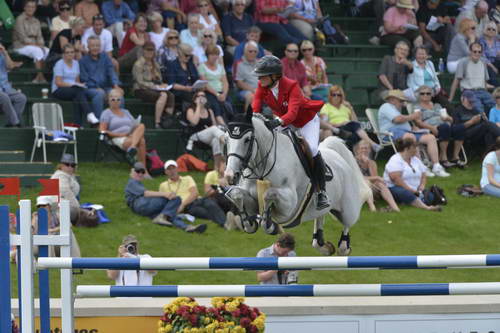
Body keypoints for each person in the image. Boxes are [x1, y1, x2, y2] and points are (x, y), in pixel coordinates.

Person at [252, 55, 330, 209]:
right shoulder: (263, 85)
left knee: (312, 149)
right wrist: (254, 118)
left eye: (262, 75)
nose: (259, 79)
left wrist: (276, 122)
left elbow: (293, 113)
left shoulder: (292, 85)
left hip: (306, 121)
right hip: (284, 121)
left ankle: (321, 191)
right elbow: (256, 102)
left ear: (274, 76)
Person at [377, 89, 450, 177]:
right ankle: (420, 167)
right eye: (401, 100)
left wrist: (413, 127)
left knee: (430, 137)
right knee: (410, 137)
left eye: (403, 101)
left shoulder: (396, 109)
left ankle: (436, 166)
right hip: (390, 133)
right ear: (392, 99)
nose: (403, 103)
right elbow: (397, 120)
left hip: (406, 132)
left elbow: (402, 121)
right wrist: (413, 116)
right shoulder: (386, 106)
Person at [124, 163, 207, 231]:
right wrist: (165, 194)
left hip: (144, 208)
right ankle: (163, 216)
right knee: (176, 199)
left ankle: (187, 227)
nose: (140, 174)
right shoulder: (132, 182)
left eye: (142, 172)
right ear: (132, 172)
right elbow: (146, 193)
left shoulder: (137, 183)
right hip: (139, 204)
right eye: (137, 171)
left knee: (170, 215)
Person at [159, 160, 229, 228]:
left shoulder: (187, 178)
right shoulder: (163, 185)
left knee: (210, 204)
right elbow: (164, 201)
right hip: (188, 207)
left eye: (173, 168)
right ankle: (226, 223)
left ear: (177, 169)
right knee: (204, 213)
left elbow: (194, 193)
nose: (172, 171)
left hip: (197, 200)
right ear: (166, 172)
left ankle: (227, 222)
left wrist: (182, 205)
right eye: (169, 169)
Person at [412, 85, 466, 168]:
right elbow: (418, 122)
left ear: (432, 95)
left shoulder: (437, 105)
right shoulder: (417, 107)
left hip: (444, 125)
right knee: (445, 127)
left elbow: (450, 120)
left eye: (428, 93)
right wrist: (432, 128)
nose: (425, 95)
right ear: (419, 95)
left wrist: (448, 118)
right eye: (422, 93)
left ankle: (455, 157)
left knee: (460, 127)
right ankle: (443, 158)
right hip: (430, 128)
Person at [383, 138, 443, 211]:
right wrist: (411, 190)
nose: (416, 150)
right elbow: (396, 180)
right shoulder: (395, 160)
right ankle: (426, 207)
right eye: (414, 147)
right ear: (407, 148)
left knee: (430, 197)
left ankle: (410, 201)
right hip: (397, 187)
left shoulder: (415, 159)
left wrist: (422, 186)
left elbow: (423, 175)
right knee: (405, 193)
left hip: (416, 189)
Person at [99, 89, 150, 173]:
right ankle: (143, 170)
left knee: (141, 125)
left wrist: (135, 127)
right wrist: (120, 134)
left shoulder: (126, 112)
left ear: (120, 101)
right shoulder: (106, 113)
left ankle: (132, 149)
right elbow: (102, 130)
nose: (115, 101)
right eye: (113, 99)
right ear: (109, 100)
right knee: (141, 141)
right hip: (118, 138)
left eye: (118, 99)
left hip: (130, 135)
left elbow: (134, 124)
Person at [320, 85, 381, 150]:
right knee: (354, 127)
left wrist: (351, 108)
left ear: (342, 97)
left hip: (349, 128)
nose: (336, 97)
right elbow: (324, 123)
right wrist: (340, 124)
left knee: (355, 126)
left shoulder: (345, 107)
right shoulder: (326, 107)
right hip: (336, 129)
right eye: (334, 95)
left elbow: (356, 122)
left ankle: (369, 147)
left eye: (339, 95)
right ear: (330, 96)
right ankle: (373, 144)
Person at [133, 42, 175, 129]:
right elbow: (140, 82)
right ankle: (157, 122)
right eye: (148, 50)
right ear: (143, 51)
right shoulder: (138, 64)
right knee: (163, 95)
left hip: (155, 88)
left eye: (152, 50)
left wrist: (162, 84)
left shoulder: (155, 63)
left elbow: (159, 78)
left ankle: (167, 118)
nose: (150, 52)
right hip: (141, 89)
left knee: (171, 95)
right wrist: (154, 86)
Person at [51, 43, 95, 126]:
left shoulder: (76, 63)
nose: (70, 54)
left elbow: (77, 81)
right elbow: (58, 82)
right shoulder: (59, 64)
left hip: (73, 90)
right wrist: (73, 85)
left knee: (77, 96)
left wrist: (80, 85)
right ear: (63, 54)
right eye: (67, 52)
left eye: (72, 52)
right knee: (78, 92)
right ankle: (89, 113)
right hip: (59, 90)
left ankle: (77, 124)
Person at [80, 36, 122, 122]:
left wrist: (115, 85)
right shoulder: (83, 61)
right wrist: (95, 87)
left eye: (97, 45)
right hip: (90, 88)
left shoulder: (105, 57)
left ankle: (118, 120)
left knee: (117, 94)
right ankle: (99, 122)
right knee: (99, 94)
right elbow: (84, 79)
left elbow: (111, 72)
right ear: (88, 47)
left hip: (106, 87)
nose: (95, 48)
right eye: (93, 46)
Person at [449, 42, 496, 114]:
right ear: (470, 52)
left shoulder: (483, 62)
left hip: (482, 91)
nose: (477, 53)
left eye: (479, 52)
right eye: (475, 51)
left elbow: (484, 80)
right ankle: (486, 123)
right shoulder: (463, 62)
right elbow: (456, 80)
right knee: (479, 109)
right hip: (468, 91)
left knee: (496, 105)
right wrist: (450, 98)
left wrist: (486, 92)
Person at [354, 140, 400, 212]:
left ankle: (395, 207)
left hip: (370, 188)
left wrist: (369, 163)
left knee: (380, 184)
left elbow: (374, 179)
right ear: (357, 150)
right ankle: (372, 207)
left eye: (366, 148)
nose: (364, 150)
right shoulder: (353, 161)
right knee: (366, 182)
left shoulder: (372, 163)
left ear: (369, 150)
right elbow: (357, 178)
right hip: (356, 188)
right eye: (362, 148)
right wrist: (377, 177)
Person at [185, 90, 226, 169]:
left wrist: (211, 129)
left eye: (203, 96)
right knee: (214, 129)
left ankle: (216, 168)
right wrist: (198, 106)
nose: (201, 98)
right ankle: (226, 142)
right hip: (196, 136)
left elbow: (214, 125)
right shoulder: (190, 110)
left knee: (216, 140)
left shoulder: (209, 111)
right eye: (199, 96)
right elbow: (194, 122)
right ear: (194, 99)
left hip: (209, 135)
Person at [13, 0, 49, 83]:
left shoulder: (36, 21)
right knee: (37, 51)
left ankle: (38, 77)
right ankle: (41, 77)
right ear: (24, 8)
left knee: (47, 51)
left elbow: (40, 37)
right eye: (28, 7)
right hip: (21, 46)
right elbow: (23, 39)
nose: (30, 9)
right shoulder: (19, 19)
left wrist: (41, 45)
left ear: (35, 8)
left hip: (35, 45)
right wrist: (38, 46)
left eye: (33, 7)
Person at [198, 45, 232, 123]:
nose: (215, 57)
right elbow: (205, 84)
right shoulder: (202, 67)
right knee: (216, 106)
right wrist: (217, 94)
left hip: (222, 93)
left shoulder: (220, 67)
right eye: (212, 55)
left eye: (216, 54)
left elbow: (225, 82)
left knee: (228, 106)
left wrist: (224, 94)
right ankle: (223, 127)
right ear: (207, 55)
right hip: (209, 93)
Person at [50, 154, 84, 223]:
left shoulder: (68, 175)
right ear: (61, 165)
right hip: (59, 207)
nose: (70, 167)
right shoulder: (60, 176)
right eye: (67, 164)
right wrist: (79, 209)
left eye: (72, 165)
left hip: (64, 204)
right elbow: (66, 193)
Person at [0, 43, 26, 127]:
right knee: (4, 97)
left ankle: (11, 123)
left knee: (21, 98)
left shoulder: (1, 54)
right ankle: (16, 122)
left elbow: (10, 66)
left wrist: (5, 52)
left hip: (5, 88)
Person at [234, 41, 259, 111]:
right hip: (246, 90)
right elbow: (239, 83)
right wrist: (253, 90)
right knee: (251, 96)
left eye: (255, 52)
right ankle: (249, 119)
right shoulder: (239, 64)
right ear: (245, 52)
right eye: (250, 51)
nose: (253, 53)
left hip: (260, 89)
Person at [479, 21, 500, 86]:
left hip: (495, 61)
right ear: (485, 30)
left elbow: (498, 54)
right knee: (492, 76)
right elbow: (483, 56)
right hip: (486, 64)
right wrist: (493, 67)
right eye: (489, 29)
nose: (491, 31)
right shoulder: (481, 41)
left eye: (493, 29)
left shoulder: (496, 40)